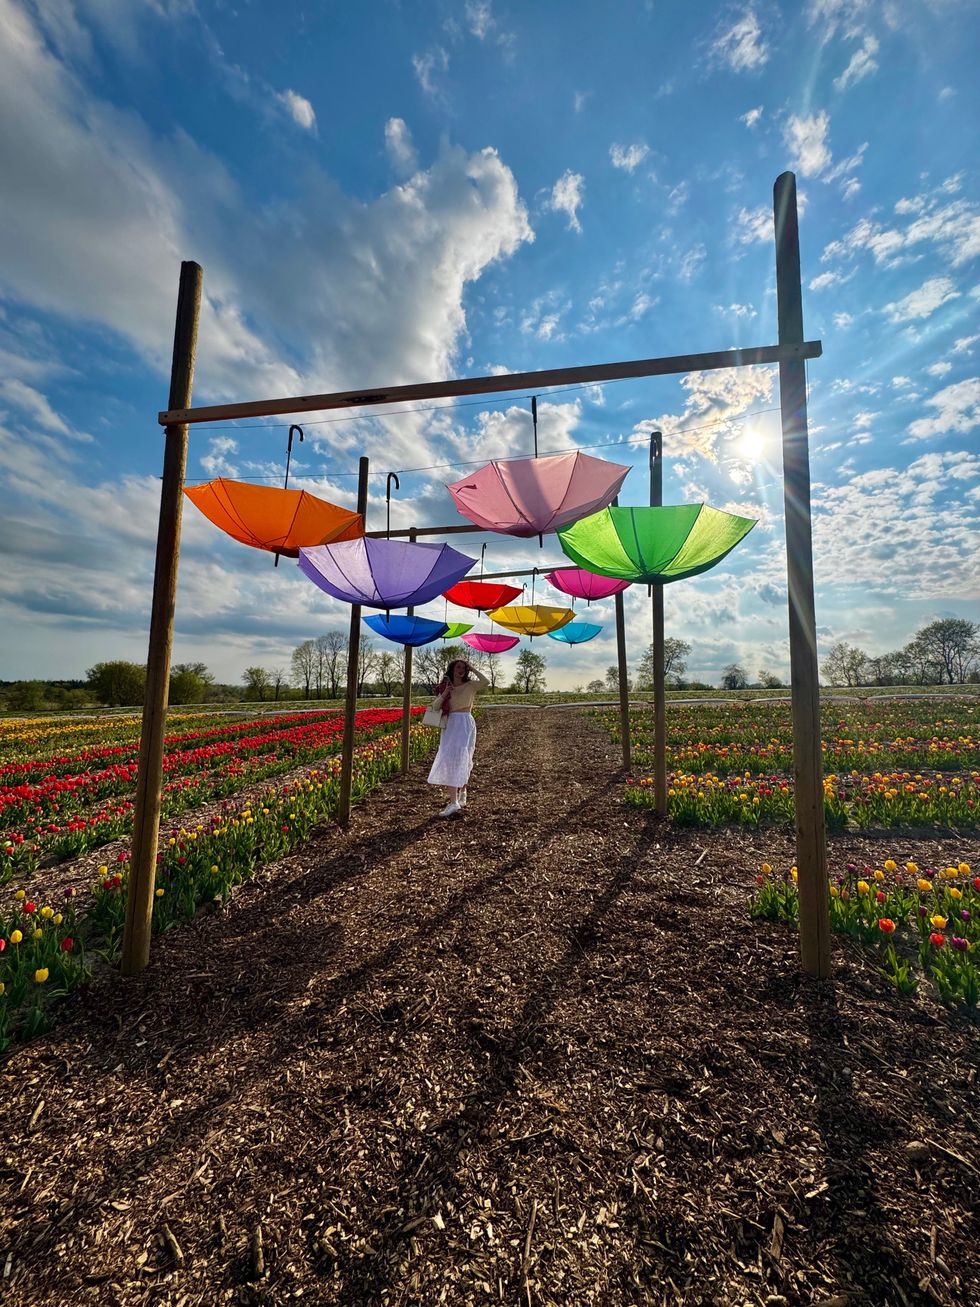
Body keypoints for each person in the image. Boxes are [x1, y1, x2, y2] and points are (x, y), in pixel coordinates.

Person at [427, 658, 490, 817]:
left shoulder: (470, 685)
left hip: (465, 723)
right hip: (451, 725)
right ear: (452, 669)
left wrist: (473, 668)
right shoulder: (446, 687)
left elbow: (486, 681)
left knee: (465, 757)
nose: (461, 670)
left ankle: (462, 792)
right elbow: (435, 707)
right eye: (458, 667)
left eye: (464, 667)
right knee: (451, 759)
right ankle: (454, 801)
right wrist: (446, 693)